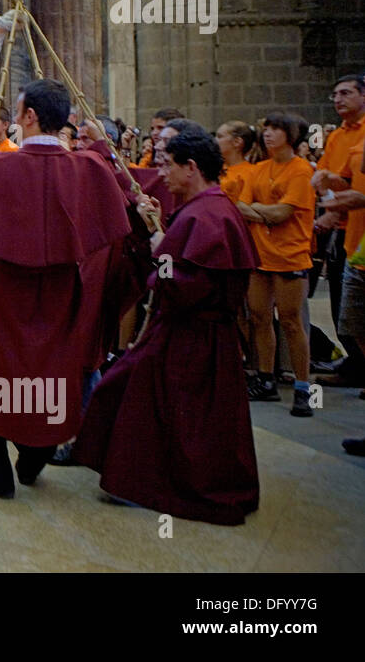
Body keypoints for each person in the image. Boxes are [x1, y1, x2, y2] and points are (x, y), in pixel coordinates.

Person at [0, 78, 130, 500]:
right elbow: (118, 216)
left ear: (28, 117)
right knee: (49, 380)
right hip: (61, 296)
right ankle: (31, 463)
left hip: (2, 296)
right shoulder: (89, 170)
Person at [75, 127, 260, 523]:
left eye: (169, 166)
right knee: (124, 388)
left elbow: (189, 285)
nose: (165, 175)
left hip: (194, 337)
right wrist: (153, 234)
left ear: (191, 168)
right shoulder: (203, 209)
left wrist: (161, 252)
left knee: (162, 407)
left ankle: (148, 483)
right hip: (183, 331)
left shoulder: (209, 215)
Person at [236, 113, 316, 415]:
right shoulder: (259, 169)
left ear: (290, 135)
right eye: (265, 129)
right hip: (260, 254)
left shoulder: (300, 170)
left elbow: (284, 214)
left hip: (289, 254)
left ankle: (304, 387)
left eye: (275, 130)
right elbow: (241, 207)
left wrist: (259, 210)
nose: (267, 134)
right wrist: (264, 212)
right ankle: (266, 378)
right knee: (259, 317)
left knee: (292, 322)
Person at [310, 74, 365, 384]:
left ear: (364, 96)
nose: (338, 99)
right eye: (334, 93)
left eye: (346, 92)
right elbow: (336, 180)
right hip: (349, 230)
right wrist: (330, 205)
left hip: (360, 225)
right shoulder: (338, 137)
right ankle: (356, 364)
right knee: (345, 307)